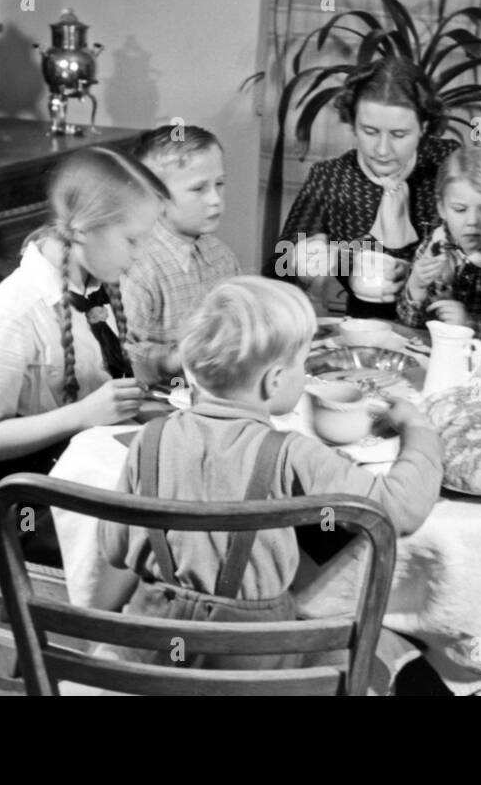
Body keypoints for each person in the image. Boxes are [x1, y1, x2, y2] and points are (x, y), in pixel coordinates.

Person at [101, 276, 443, 667]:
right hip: (250, 662)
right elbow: (401, 508)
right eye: (301, 363)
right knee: (386, 650)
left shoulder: (151, 437)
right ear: (275, 380)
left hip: (153, 650)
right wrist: (418, 430)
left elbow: (114, 549)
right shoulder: (292, 453)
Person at [0, 147, 168, 480]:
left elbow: (97, 380)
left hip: (97, 467)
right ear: (81, 229)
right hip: (38, 496)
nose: (141, 255)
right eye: (132, 240)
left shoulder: (95, 287)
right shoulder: (10, 314)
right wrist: (82, 414)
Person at [266, 57, 459, 319]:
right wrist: (306, 264)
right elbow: (278, 272)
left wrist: (420, 272)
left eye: (399, 135)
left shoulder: (449, 165)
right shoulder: (330, 178)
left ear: (424, 127)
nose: (382, 150)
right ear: (352, 122)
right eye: (369, 131)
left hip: (441, 325)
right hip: (363, 327)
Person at [121, 124, 241, 387]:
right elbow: (120, 358)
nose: (215, 199)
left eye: (220, 184)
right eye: (198, 189)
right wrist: (172, 360)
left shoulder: (221, 256)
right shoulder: (139, 266)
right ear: (155, 197)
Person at [396, 146, 481, 345]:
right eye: (460, 210)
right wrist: (416, 286)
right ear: (442, 208)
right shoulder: (436, 244)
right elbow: (411, 321)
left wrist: (469, 324)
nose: (473, 221)